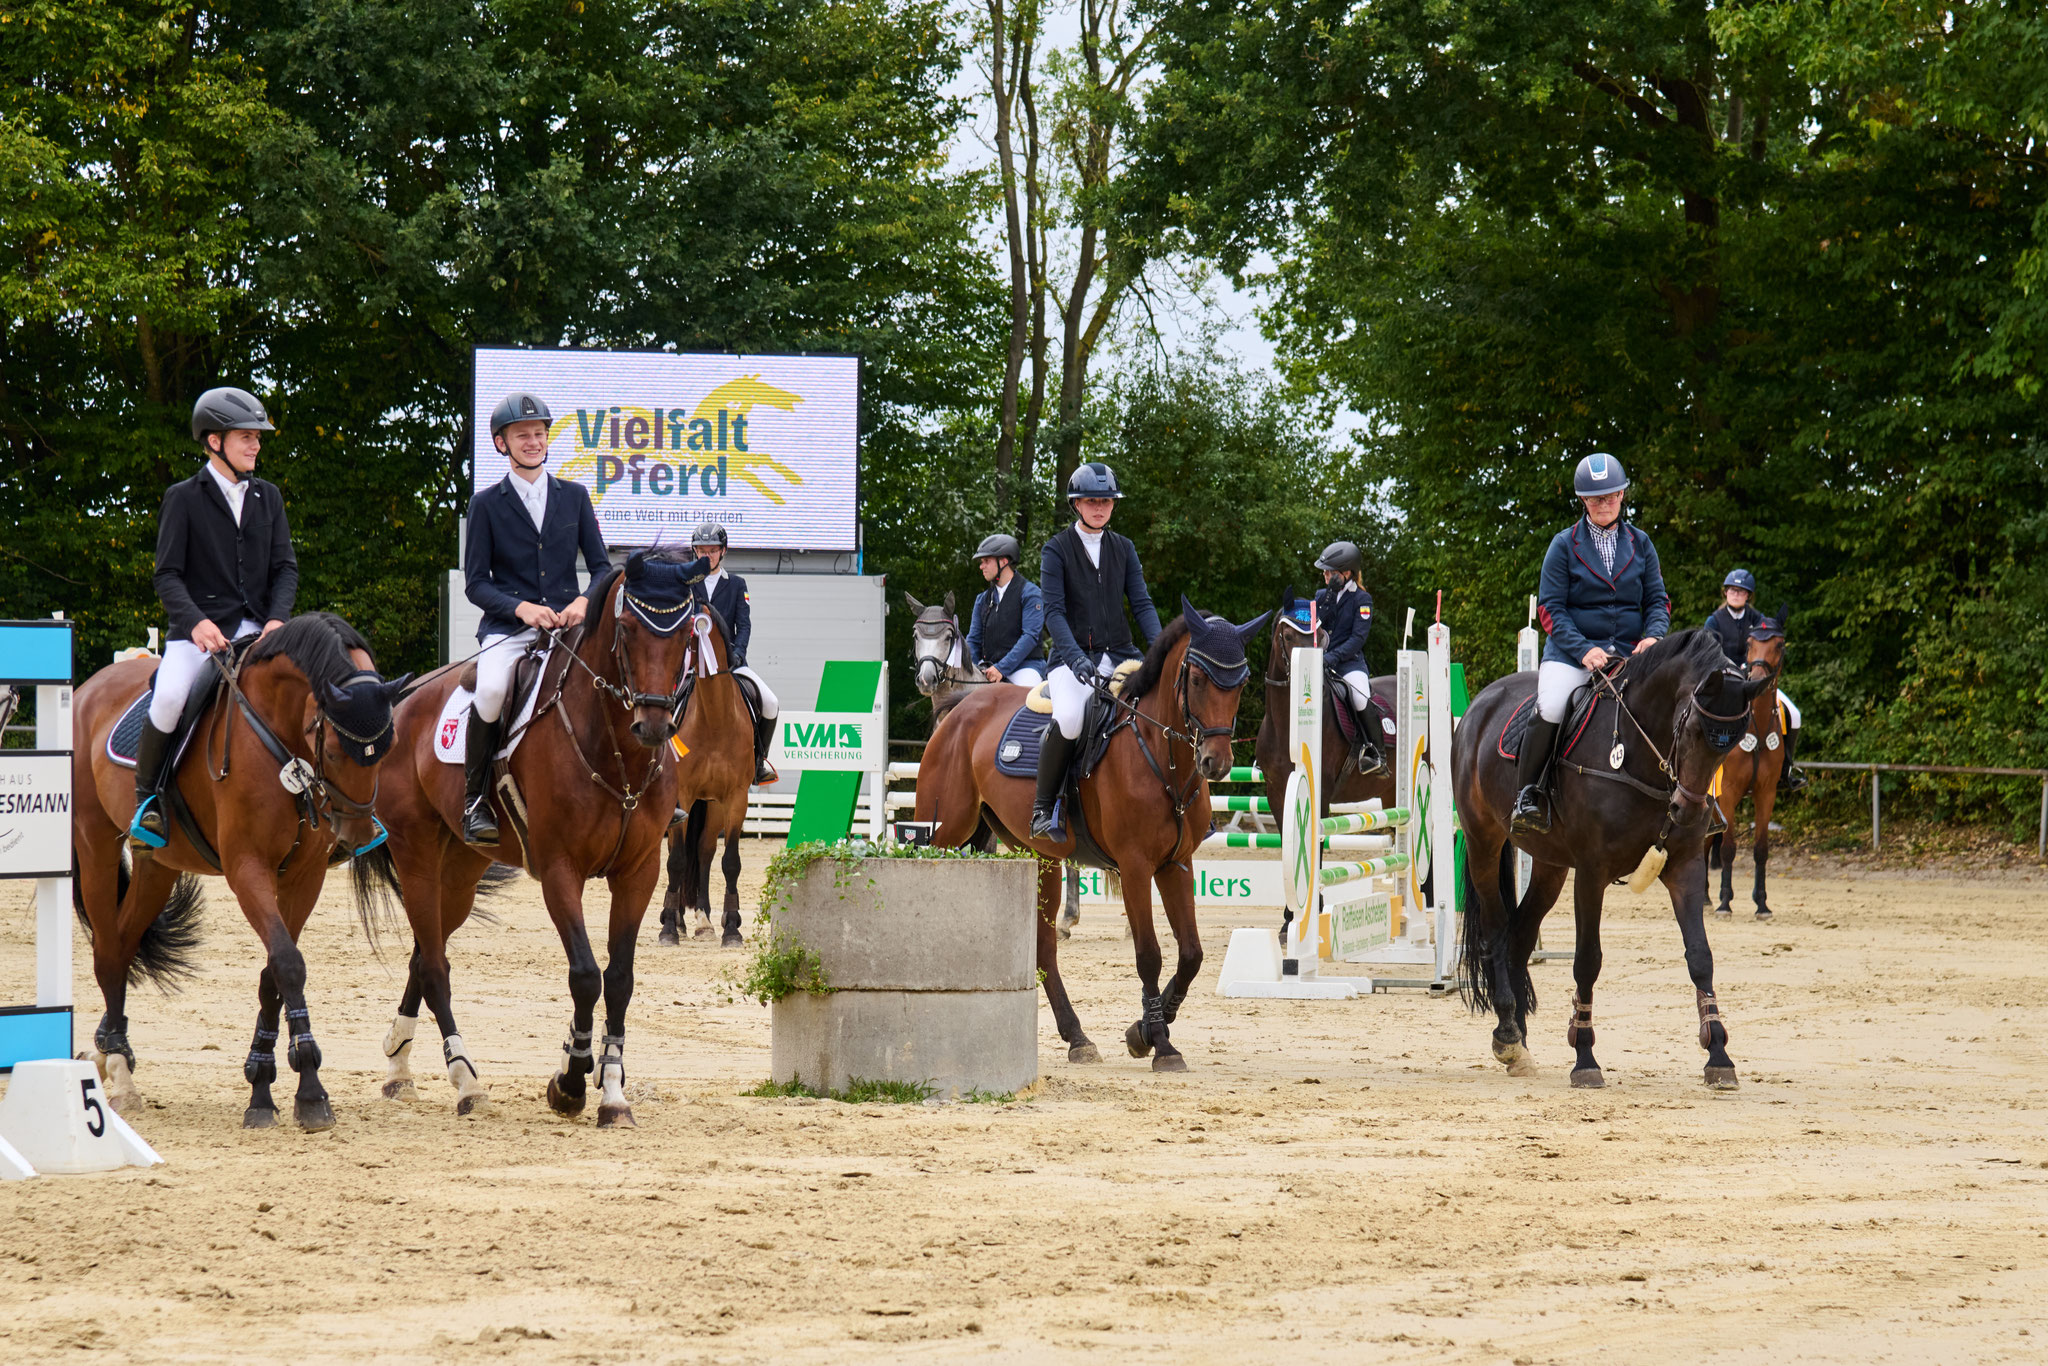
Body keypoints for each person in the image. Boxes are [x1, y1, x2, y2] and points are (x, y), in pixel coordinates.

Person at [130, 387, 299, 848]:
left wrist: (278, 619)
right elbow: (167, 575)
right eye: (246, 437)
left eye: (258, 438)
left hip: (261, 631)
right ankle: (149, 803)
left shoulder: (269, 497)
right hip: (198, 634)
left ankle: (328, 805)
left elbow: (285, 567)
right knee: (168, 698)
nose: (256, 446)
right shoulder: (183, 498)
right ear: (213, 441)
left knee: (307, 692)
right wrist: (196, 623)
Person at [461, 392, 612, 843]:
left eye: (539, 433)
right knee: (488, 692)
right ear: (501, 443)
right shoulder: (486, 505)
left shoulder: (576, 496)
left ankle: (659, 789)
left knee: (625, 675)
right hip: (510, 630)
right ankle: (474, 800)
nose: (533, 441)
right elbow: (476, 583)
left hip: (571, 626)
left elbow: (603, 568)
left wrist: (585, 602)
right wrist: (520, 608)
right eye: (522, 434)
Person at [1515, 452, 1671, 835]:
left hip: (1632, 654)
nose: (1604, 504)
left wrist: (1653, 637)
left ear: (1622, 494)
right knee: (1551, 705)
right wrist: (1583, 649)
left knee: (1676, 705)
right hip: (1573, 654)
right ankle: (1529, 794)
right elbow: (1550, 609)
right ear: (1583, 501)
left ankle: (1687, 800)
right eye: (1595, 498)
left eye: (1610, 496)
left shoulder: (1642, 543)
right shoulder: (1563, 545)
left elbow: (1657, 601)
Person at [1032, 462, 1163, 837]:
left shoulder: (1124, 548)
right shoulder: (1055, 550)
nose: (1100, 507)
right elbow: (1054, 613)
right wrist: (1074, 659)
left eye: (1106, 501)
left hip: (1121, 654)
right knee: (1072, 717)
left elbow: (1141, 604)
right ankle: (1044, 809)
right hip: (1072, 660)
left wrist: (1160, 648)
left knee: (1165, 704)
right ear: (1077, 504)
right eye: (1092, 500)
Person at [684, 521, 780, 785]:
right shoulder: (686, 583)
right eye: (701, 550)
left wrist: (738, 652)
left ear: (722, 551)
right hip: (690, 663)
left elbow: (744, 624)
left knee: (770, 703)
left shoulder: (737, 584)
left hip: (730, 663)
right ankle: (660, 765)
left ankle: (758, 761)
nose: (707, 555)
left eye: (712, 550)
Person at [1704, 569, 1806, 791]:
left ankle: (1787, 769)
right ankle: (1705, 770)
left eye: (1741, 591)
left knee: (1794, 714)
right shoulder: (1714, 621)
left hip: (1755, 682)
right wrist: (1735, 668)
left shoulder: (1758, 620)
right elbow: (1709, 654)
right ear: (1726, 592)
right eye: (1732, 590)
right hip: (1725, 682)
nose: (1736, 594)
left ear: (1748, 595)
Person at [1312, 540, 1386, 776]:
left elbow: (1357, 638)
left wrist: (1332, 657)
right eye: (1325, 571)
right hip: (1319, 662)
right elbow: (1317, 624)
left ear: (1346, 573)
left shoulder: (1362, 600)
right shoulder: (1323, 595)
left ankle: (1376, 753)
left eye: (1329, 571)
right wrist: (1331, 594)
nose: (1324, 574)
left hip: (1349, 664)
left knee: (1359, 697)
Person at [962, 533, 1046, 687]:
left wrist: (1002, 668)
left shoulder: (1030, 594)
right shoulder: (982, 600)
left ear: (1004, 561)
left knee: (1029, 702)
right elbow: (973, 640)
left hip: (1024, 668)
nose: (981, 566)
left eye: (986, 561)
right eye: (981, 562)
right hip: (987, 668)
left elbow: (1030, 636)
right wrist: (970, 668)